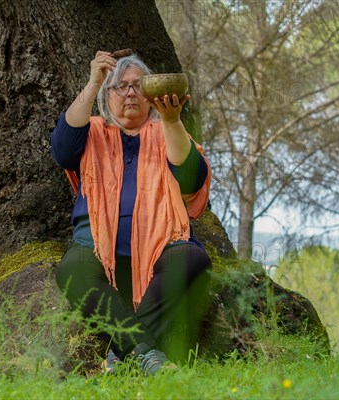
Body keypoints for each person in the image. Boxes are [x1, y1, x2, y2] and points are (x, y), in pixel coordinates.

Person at [50, 51, 213, 375]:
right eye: (120, 87)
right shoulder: (92, 130)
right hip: (95, 242)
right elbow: (62, 149)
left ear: (152, 95)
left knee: (192, 260)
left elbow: (191, 177)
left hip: (163, 241)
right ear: (107, 95)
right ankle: (145, 352)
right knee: (74, 271)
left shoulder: (166, 129)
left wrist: (171, 120)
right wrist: (94, 81)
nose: (129, 93)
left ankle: (123, 352)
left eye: (139, 86)